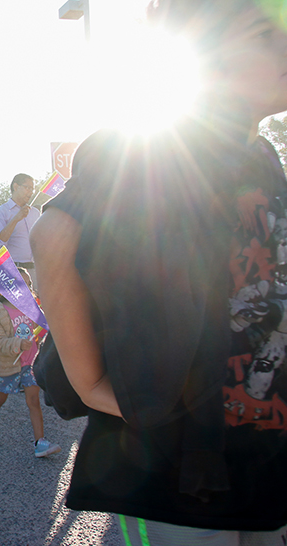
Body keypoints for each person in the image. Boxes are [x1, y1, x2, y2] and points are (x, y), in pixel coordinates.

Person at [30, 1, 287, 542]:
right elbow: (53, 237)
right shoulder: (160, 142)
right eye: (264, 34)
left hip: (260, 454)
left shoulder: (262, 154)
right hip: (170, 468)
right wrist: (93, 383)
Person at [0, 269, 60, 457]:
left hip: (30, 362)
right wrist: (18, 343)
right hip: (8, 363)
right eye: (20, 284)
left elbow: (41, 326)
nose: (25, 289)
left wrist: (43, 331)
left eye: (28, 284)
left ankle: (40, 443)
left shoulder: (31, 306)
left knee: (33, 401)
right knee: (0, 398)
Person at [0, 174, 39, 289]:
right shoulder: (1, 212)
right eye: (28, 188)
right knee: (13, 307)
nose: (31, 192)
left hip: (35, 271)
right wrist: (16, 219)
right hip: (13, 271)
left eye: (32, 189)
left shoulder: (35, 213)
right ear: (16, 187)